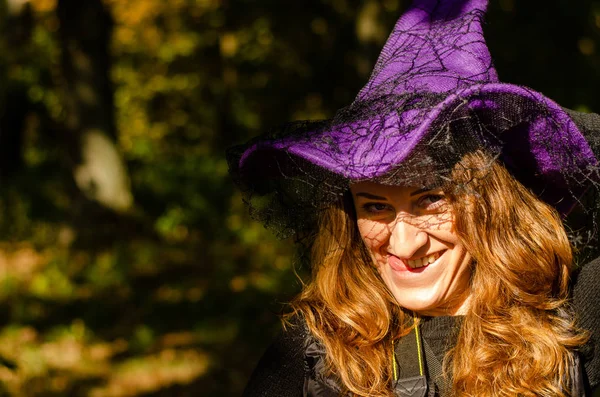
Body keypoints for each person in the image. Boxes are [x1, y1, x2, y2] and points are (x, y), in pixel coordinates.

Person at [228, 0, 600, 395]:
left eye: (430, 201)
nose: (404, 244)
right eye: (375, 206)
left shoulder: (577, 314)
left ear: (493, 203)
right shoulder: (315, 351)